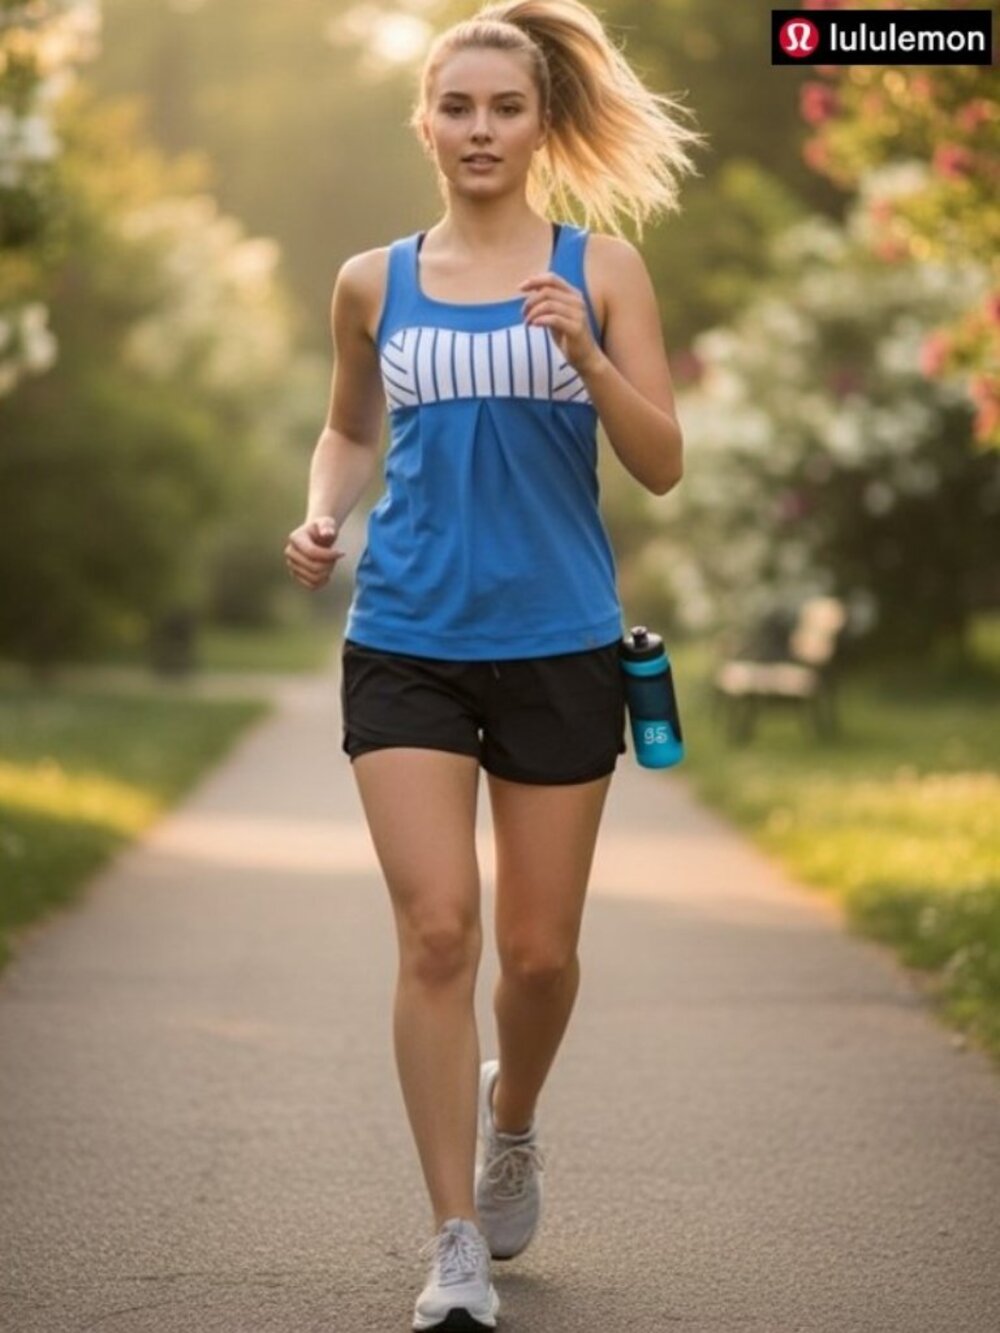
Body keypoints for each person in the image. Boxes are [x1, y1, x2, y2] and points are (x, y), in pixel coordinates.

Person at [284, 1, 703, 1327]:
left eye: (505, 109)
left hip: (560, 642)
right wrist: (324, 512)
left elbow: (661, 461)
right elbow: (350, 430)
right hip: (406, 638)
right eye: (457, 107)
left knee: (536, 954)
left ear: (540, 124)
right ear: (425, 122)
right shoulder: (372, 281)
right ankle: (454, 1239)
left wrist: (584, 351)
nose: (480, 130)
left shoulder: (603, 270)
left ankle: (511, 1117)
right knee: (437, 934)